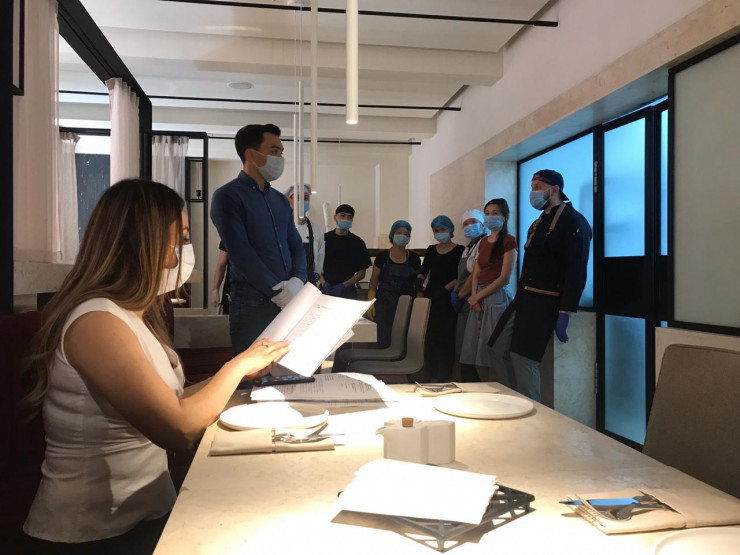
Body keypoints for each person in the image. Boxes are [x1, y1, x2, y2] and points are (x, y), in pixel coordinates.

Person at [21, 179, 289, 553]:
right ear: (141, 242)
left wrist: (239, 372)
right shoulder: (96, 322)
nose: (182, 255)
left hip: (144, 514)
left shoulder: (131, 315)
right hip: (91, 532)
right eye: (180, 240)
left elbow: (171, 400)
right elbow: (177, 429)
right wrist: (235, 367)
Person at [488, 170, 592, 402]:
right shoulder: (538, 223)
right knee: (496, 348)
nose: (532, 192)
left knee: (523, 358)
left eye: (537, 187)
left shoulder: (574, 222)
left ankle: (530, 409)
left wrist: (565, 310)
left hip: (546, 301)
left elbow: (576, 270)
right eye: (531, 187)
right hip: (524, 298)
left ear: (554, 190)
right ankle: (510, 401)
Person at [211, 124, 307, 356]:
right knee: (253, 371)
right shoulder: (227, 196)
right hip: (252, 301)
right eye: (274, 151)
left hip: (289, 297)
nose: (280, 158)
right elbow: (240, 253)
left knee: (289, 367)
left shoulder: (280, 200)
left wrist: (298, 279)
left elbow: (295, 244)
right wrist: (277, 292)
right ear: (251, 155)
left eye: (281, 152)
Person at [460, 199, 517, 383]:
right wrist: (474, 297)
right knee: (476, 355)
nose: (490, 217)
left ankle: (500, 391)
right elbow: (476, 273)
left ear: (505, 217)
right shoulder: (484, 242)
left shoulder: (508, 241)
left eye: (495, 213)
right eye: (487, 213)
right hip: (478, 298)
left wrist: (477, 296)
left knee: (492, 354)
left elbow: (504, 278)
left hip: (495, 298)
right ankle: (487, 389)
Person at [418, 215, 464, 382]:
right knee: (431, 338)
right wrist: (419, 283)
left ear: (450, 230)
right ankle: (432, 375)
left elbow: (461, 275)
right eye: (436, 230)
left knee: (447, 338)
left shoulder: (460, 250)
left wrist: (447, 288)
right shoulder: (431, 250)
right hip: (431, 298)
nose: (439, 233)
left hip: (449, 299)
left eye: (443, 229)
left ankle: (446, 376)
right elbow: (424, 271)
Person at [367, 220, 422, 349]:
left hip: (407, 305)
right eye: (399, 233)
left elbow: (418, 281)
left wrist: (419, 298)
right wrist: (370, 301)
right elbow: (374, 279)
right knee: (382, 340)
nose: (403, 236)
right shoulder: (382, 257)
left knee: (403, 340)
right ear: (392, 234)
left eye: (406, 234)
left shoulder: (414, 258)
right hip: (383, 305)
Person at [451, 209, 488, 382]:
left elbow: (475, 275)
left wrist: (461, 295)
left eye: (473, 222)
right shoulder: (468, 248)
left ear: (482, 224)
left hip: (473, 300)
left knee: (472, 347)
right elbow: (461, 275)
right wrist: (456, 291)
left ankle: (473, 385)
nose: (469, 226)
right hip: (463, 301)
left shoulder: (484, 244)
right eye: (465, 224)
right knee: (463, 346)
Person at [321, 204, 371, 300]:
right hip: (325, 290)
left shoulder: (358, 243)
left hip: (348, 291)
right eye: (343, 215)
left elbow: (361, 273)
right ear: (335, 218)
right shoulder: (324, 239)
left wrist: (343, 286)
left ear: (352, 220)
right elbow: (315, 265)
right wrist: (323, 283)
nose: (346, 219)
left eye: (349, 217)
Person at [282, 184, 325, 287]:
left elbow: (320, 257)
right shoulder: (281, 227)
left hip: (308, 281)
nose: (302, 202)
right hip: (285, 281)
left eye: (305, 198)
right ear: (289, 200)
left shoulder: (317, 230)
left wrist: (315, 277)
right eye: (298, 198)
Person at [211, 241, 230, 314]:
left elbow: (221, 265)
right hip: (231, 291)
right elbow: (221, 265)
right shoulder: (230, 235)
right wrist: (215, 290)